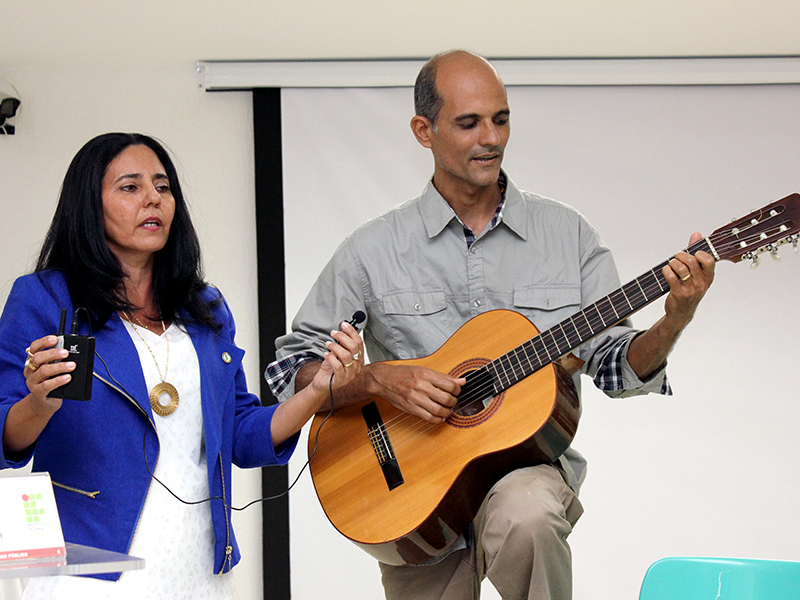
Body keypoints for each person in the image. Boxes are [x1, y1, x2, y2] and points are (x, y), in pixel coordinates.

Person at [266, 51, 715, 600]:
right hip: (409, 494)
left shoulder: (569, 236)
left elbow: (615, 368)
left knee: (529, 517)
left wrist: (675, 317)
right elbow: (290, 370)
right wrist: (377, 380)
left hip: (527, 466)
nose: (491, 138)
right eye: (469, 123)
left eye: (501, 119)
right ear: (424, 131)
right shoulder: (371, 250)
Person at [0, 132, 364, 599]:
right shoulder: (45, 298)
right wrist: (40, 403)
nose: (153, 198)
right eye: (130, 187)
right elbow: (6, 437)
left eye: (163, 187)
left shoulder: (205, 307)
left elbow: (240, 434)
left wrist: (316, 392)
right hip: (88, 570)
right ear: (89, 204)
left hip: (199, 568)